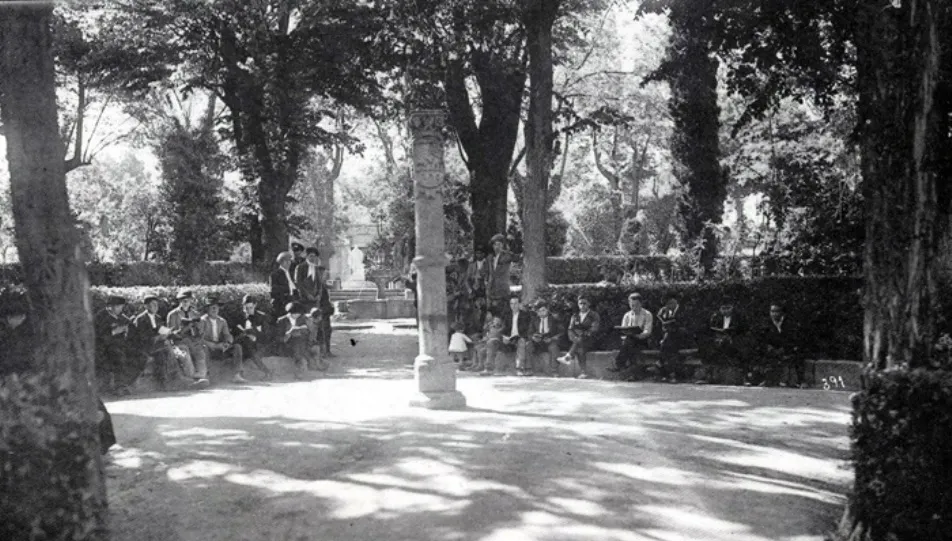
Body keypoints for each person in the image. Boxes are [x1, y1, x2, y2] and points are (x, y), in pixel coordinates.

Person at [94, 295, 140, 395]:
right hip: (104, 348)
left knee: (140, 354)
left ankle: (126, 383)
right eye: (119, 307)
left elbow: (132, 332)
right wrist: (114, 332)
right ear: (110, 307)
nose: (121, 309)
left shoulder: (122, 317)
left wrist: (128, 331)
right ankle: (119, 386)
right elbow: (98, 336)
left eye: (121, 307)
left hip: (120, 345)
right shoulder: (101, 316)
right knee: (118, 355)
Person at [132, 296, 179, 391]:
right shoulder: (140, 319)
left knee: (164, 351)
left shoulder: (157, 318)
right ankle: (176, 377)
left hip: (157, 346)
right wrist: (157, 338)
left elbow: (161, 330)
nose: (156, 307)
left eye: (157, 305)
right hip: (144, 347)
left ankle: (165, 382)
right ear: (146, 306)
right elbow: (141, 338)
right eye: (153, 305)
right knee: (166, 349)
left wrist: (170, 333)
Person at [166, 290, 209, 387]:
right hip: (179, 342)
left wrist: (199, 327)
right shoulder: (173, 314)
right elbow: (170, 334)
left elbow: (200, 333)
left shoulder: (195, 313)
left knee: (201, 352)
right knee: (185, 354)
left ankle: (201, 376)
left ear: (191, 301)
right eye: (183, 301)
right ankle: (192, 379)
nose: (186, 303)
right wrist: (184, 329)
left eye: (188, 301)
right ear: (179, 301)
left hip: (193, 341)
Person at [608, 292, 653, 379]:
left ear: (641, 303)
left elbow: (648, 330)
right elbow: (623, 330)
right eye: (632, 305)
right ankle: (633, 374)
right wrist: (625, 336)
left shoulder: (647, 314)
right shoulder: (627, 315)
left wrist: (639, 336)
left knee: (630, 342)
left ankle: (619, 364)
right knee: (630, 342)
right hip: (629, 341)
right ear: (629, 304)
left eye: (636, 305)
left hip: (643, 340)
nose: (634, 307)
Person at [230, 295, 275, 380]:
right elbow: (233, 333)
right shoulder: (239, 317)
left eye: (250, 307)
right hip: (243, 343)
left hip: (259, 344)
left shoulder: (262, 317)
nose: (248, 310)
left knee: (250, 348)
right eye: (245, 308)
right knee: (243, 345)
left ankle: (266, 372)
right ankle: (267, 372)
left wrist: (255, 337)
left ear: (255, 305)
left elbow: (267, 335)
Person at [703, 300, 748, 385]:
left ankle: (744, 377)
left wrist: (729, 333)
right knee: (708, 347)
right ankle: (709, 376)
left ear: (732, 308)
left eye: (728, 308)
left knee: (739, 349)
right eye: (723, 308)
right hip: (718, 339)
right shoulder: (716, 317)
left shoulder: (738, 317)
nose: (725, 311)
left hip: (734, 340)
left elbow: (742, 330)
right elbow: (710, 329)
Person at [758, 303, 802, 387]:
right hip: (772, 350)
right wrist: (769, 347)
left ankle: (797, 380)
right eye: (772, 311)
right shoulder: (766, 323)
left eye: (776, 311)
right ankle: (766, 379)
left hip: (786, 349)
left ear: (782, 312)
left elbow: (793, 339)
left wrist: (784, 348)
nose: (774, 314)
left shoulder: (789, 323)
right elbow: (762, 339)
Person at [560, 296, 601, 379]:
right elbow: (570, 329)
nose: (582, 305)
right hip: (578, 341)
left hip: (591, 340)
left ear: (589, 304)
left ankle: (568, 357)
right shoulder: (575, 316)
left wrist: (583, 334)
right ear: (578, 305)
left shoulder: (593, 315)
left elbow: (594, 328)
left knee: (580, 341)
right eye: (580, 303)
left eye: (584, 303)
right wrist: (574, 338)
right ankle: (583, 373)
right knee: (580, 348)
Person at [276, 302, 312, 380]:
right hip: (286, 344)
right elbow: (278, 337)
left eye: (298, 314)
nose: (297, 315)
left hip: (300, 343)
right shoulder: (282, 320)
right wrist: (288, 334)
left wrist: (302, 331)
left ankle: (300, 368)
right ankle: (299, 369)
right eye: (294, 314)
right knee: (297, 346)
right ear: (290, 313)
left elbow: (308, 333)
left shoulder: (302, 319)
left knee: (298, 343)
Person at [482, 233, 515, 317]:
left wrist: (510, 243)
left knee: (503, 311)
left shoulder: (507, 255)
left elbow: (515, 257)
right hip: (491, 289)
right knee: (491, 311)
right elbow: (486, 271)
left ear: (503, 245)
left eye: (499, 244)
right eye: (495, 245)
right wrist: (486, 281)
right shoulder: (489, 257)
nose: (496, 247)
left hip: (502, 288)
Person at [527, 302, 562, 377]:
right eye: (539, 311)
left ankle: (554, 371)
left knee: (554, 347)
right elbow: (529, 333)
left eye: (543, 310)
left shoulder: (553, 319)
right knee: (528, 345)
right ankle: (528, 368)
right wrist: (533, 337)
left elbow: (561, 332)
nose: (541, 312)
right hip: (537, 342)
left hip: (549, 341)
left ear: (547, 310)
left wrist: (552, 339)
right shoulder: (534, 320)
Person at [498, 296, 531, 376]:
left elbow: (526, 329)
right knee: (493, 342)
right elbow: (504, 329)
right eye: (511, 304)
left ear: (519, 304)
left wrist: (519, 336)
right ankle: (491, 368)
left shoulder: (525, 315)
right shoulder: (507, 315)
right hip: (510, 338)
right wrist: (504, 337)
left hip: (520, 337)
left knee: (521, 342)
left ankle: (520, 368)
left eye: (515, 303)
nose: (513, 306)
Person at [656, 294, 685, 383]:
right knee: (670, 349)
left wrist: (673, 326)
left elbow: (685, 326)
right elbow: (659, 325)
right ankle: (672, 374)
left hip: (683, 338)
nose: (669, 306)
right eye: (667, 304)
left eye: (671, 303)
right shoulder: (664, 311)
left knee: (666, 343)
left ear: (675, 301)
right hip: (669, 339)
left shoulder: (683, 310)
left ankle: (661, 366)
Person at [270, 251, 299, 320]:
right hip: (281, 304)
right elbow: (273, 290)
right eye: (287, 261)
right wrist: (288, 290)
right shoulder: (275, 274)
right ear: (281, 262)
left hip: (291, 302)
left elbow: (294, 287)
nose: (289, 263)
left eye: (289, 261)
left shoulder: (291, 274)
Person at [295, 246, 324, 311]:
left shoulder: (316, 268)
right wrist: (307, 294)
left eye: (314, 256)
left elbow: (319, 283)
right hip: (304, 299)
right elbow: (298, 283)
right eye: (311, 256)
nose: (313, 258)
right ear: (306, 256)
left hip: (315, 299)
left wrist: (319, 295)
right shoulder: (300, 267)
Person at [317, 265, 335, 357]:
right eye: (322, 274)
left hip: (325, 312)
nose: (324, 276)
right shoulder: (317, 286)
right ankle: (324, 352)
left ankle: (327, 351)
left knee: (327, 331)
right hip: (321, 312)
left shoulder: (323, 286)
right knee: (323, 332)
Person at [305, 307, 328, 371]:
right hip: (305, 343)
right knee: (316, 349)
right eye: (320, 316)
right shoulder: (310, 323)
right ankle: (317, 365)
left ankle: (317, 363)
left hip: (310, 342)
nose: (321, 318)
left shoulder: (316, 323)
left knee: (317, 348)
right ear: (317, 317)